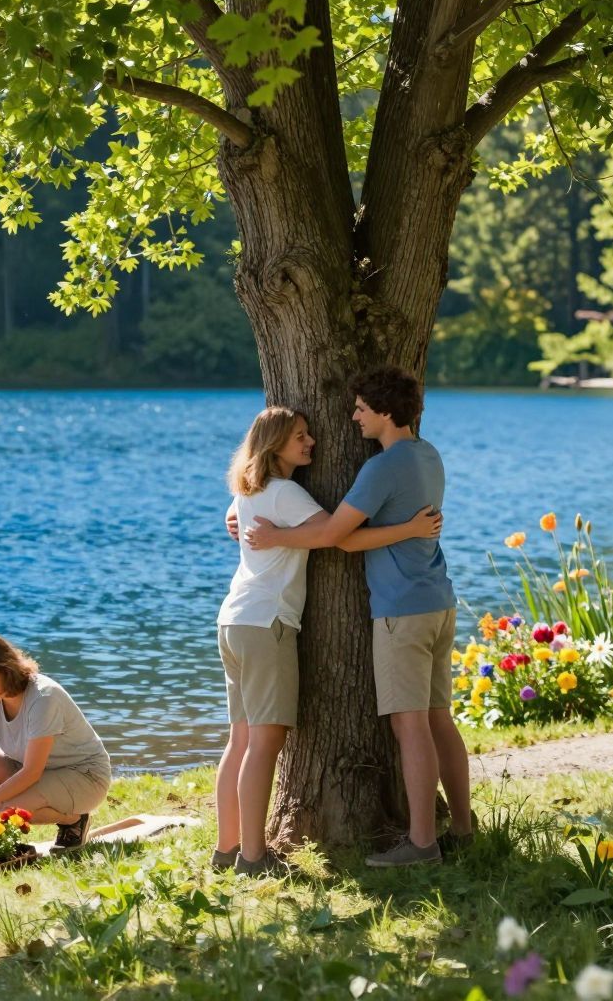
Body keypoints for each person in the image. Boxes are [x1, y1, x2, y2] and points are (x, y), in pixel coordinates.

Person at [241, 367, 474, 867]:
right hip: (439, 600)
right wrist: (411, 529)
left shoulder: (381, 468)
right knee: (439, 721)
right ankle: (462, 828)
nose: (354, 417)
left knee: (410, 727)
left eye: (363, 408)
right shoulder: (427, 455)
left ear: (386, 412)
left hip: (401, 610)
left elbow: (337, 537)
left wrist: (277, 536)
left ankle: (422, 844)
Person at [0, 633, 111, 850]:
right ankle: (5, 824)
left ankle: (74, 819)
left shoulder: (43, 697)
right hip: (42, 773)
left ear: (4, 670)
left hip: (85, 777)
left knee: (4, 810)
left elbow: (31, 772)